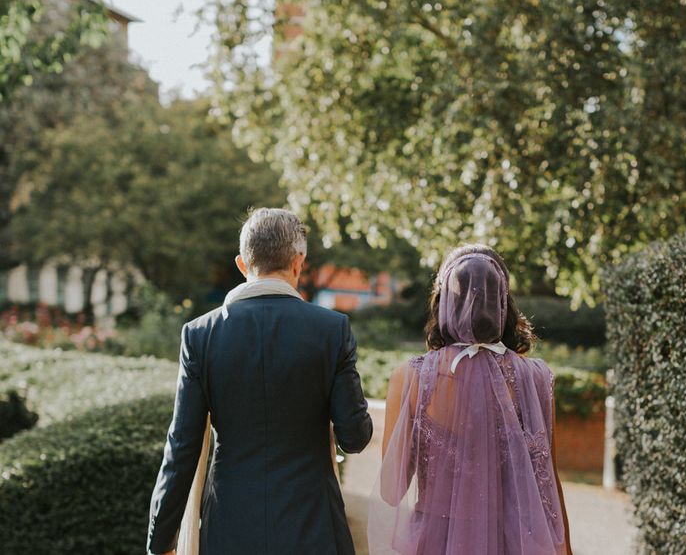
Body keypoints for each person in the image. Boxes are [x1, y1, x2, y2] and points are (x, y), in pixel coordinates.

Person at [147, 207, 373, 555]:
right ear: (298, 263)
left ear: (242, 265)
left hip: (230, 527)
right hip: (313, 526)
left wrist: (160, 541)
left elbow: (182, 448)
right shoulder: (332, 330)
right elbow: (354, 438)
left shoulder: (200, 336)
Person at [368, 244, 573, 555]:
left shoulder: (411, 378)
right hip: (512, 543)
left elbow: (390, 492)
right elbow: (550, 488)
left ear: (443, 302)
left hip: (432, 544)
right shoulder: (536, 378)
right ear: (503, 304)